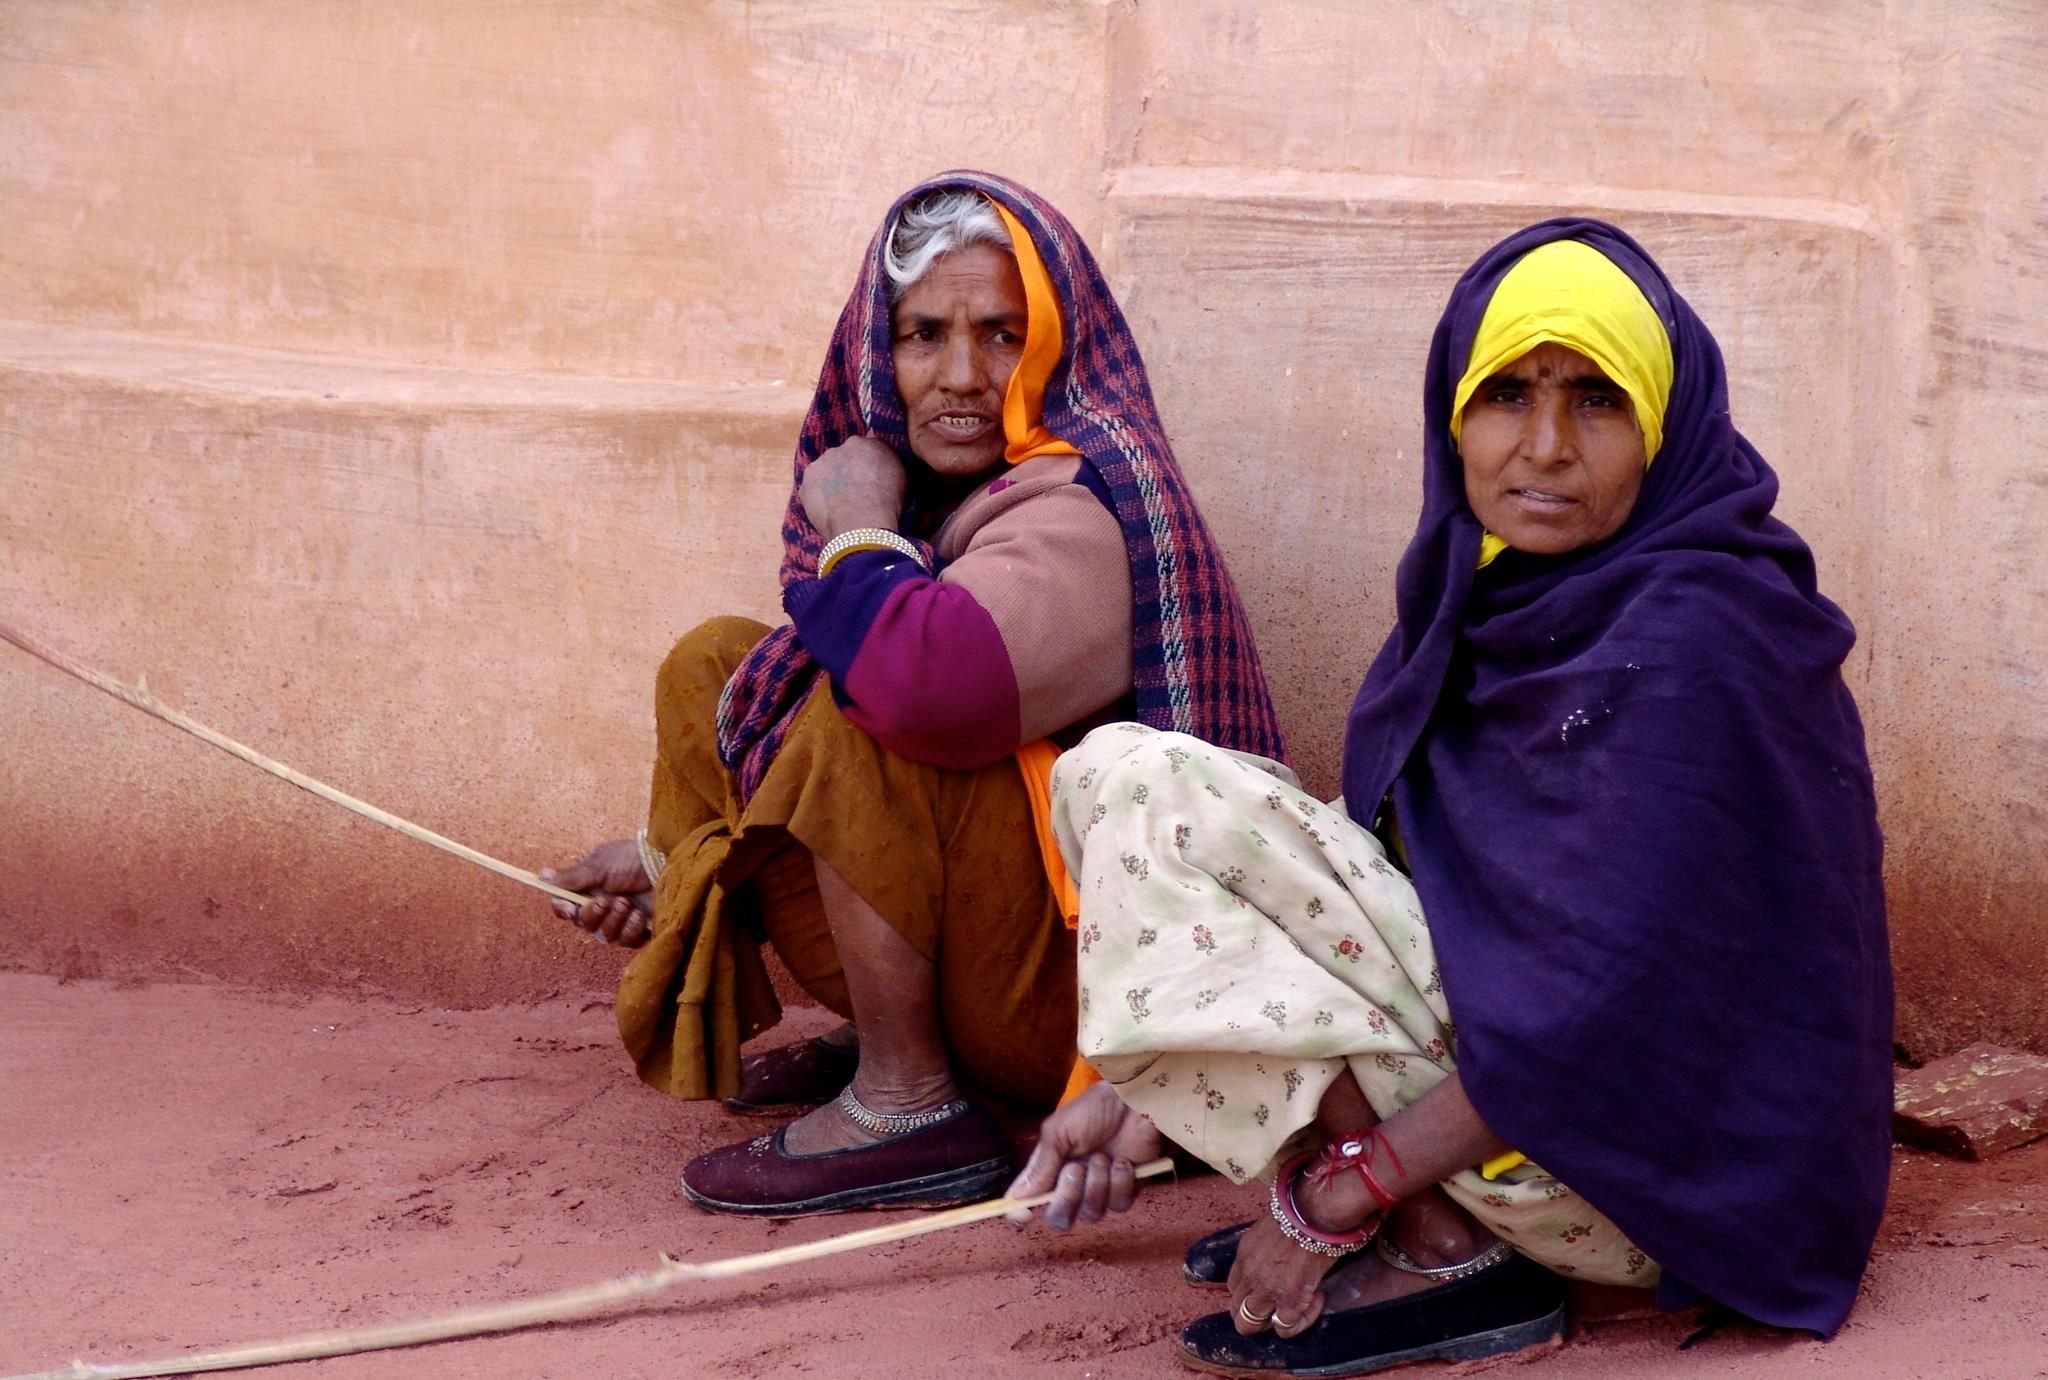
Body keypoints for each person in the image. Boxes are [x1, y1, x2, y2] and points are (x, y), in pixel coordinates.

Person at [1008, 219, 1892, 1375]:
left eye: (1595, 400)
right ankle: (1432, 1219)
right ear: (1451, 412)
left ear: (1663, 424)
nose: (1542, 445)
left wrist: (1334, 1192)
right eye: (1506, 394)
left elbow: (1596, 1016)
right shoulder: (1484, 592)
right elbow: (1384, 868)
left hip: (1653, 1187)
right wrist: (1143, 1094)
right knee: (1124, 782)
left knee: (1145, 783)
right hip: (1531, 1119)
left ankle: (1439, 1252)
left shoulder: (1695, 640)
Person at [541, 171, 1284, 1217]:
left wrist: (853, 523)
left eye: (998, 334)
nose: (959, 375)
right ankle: (891, 1036)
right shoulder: (944, 501)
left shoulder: (1083, 499)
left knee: (870, 692)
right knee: (717, 661)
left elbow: (922, 688)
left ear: (1053, 350)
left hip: (1081, 1015)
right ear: (875, 354)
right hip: (993, 963)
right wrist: (668, 860)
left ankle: (907, 1101)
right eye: (923, 333)